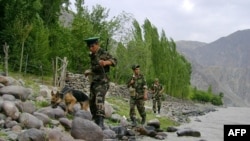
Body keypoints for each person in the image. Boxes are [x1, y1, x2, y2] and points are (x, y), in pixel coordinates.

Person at [84, 37, 117, 129]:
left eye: (92, 46)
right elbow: (95, 68)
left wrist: (106, 62)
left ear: (97, 44)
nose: (90, 48)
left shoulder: (104, 53)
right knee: (91, 101)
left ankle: (100, 122)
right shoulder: (92, 55)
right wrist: (89, 71)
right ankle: (95, 120)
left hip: (103, 81)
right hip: (94, 81)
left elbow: (115, 61)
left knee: (99, 98)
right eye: (89, 47)